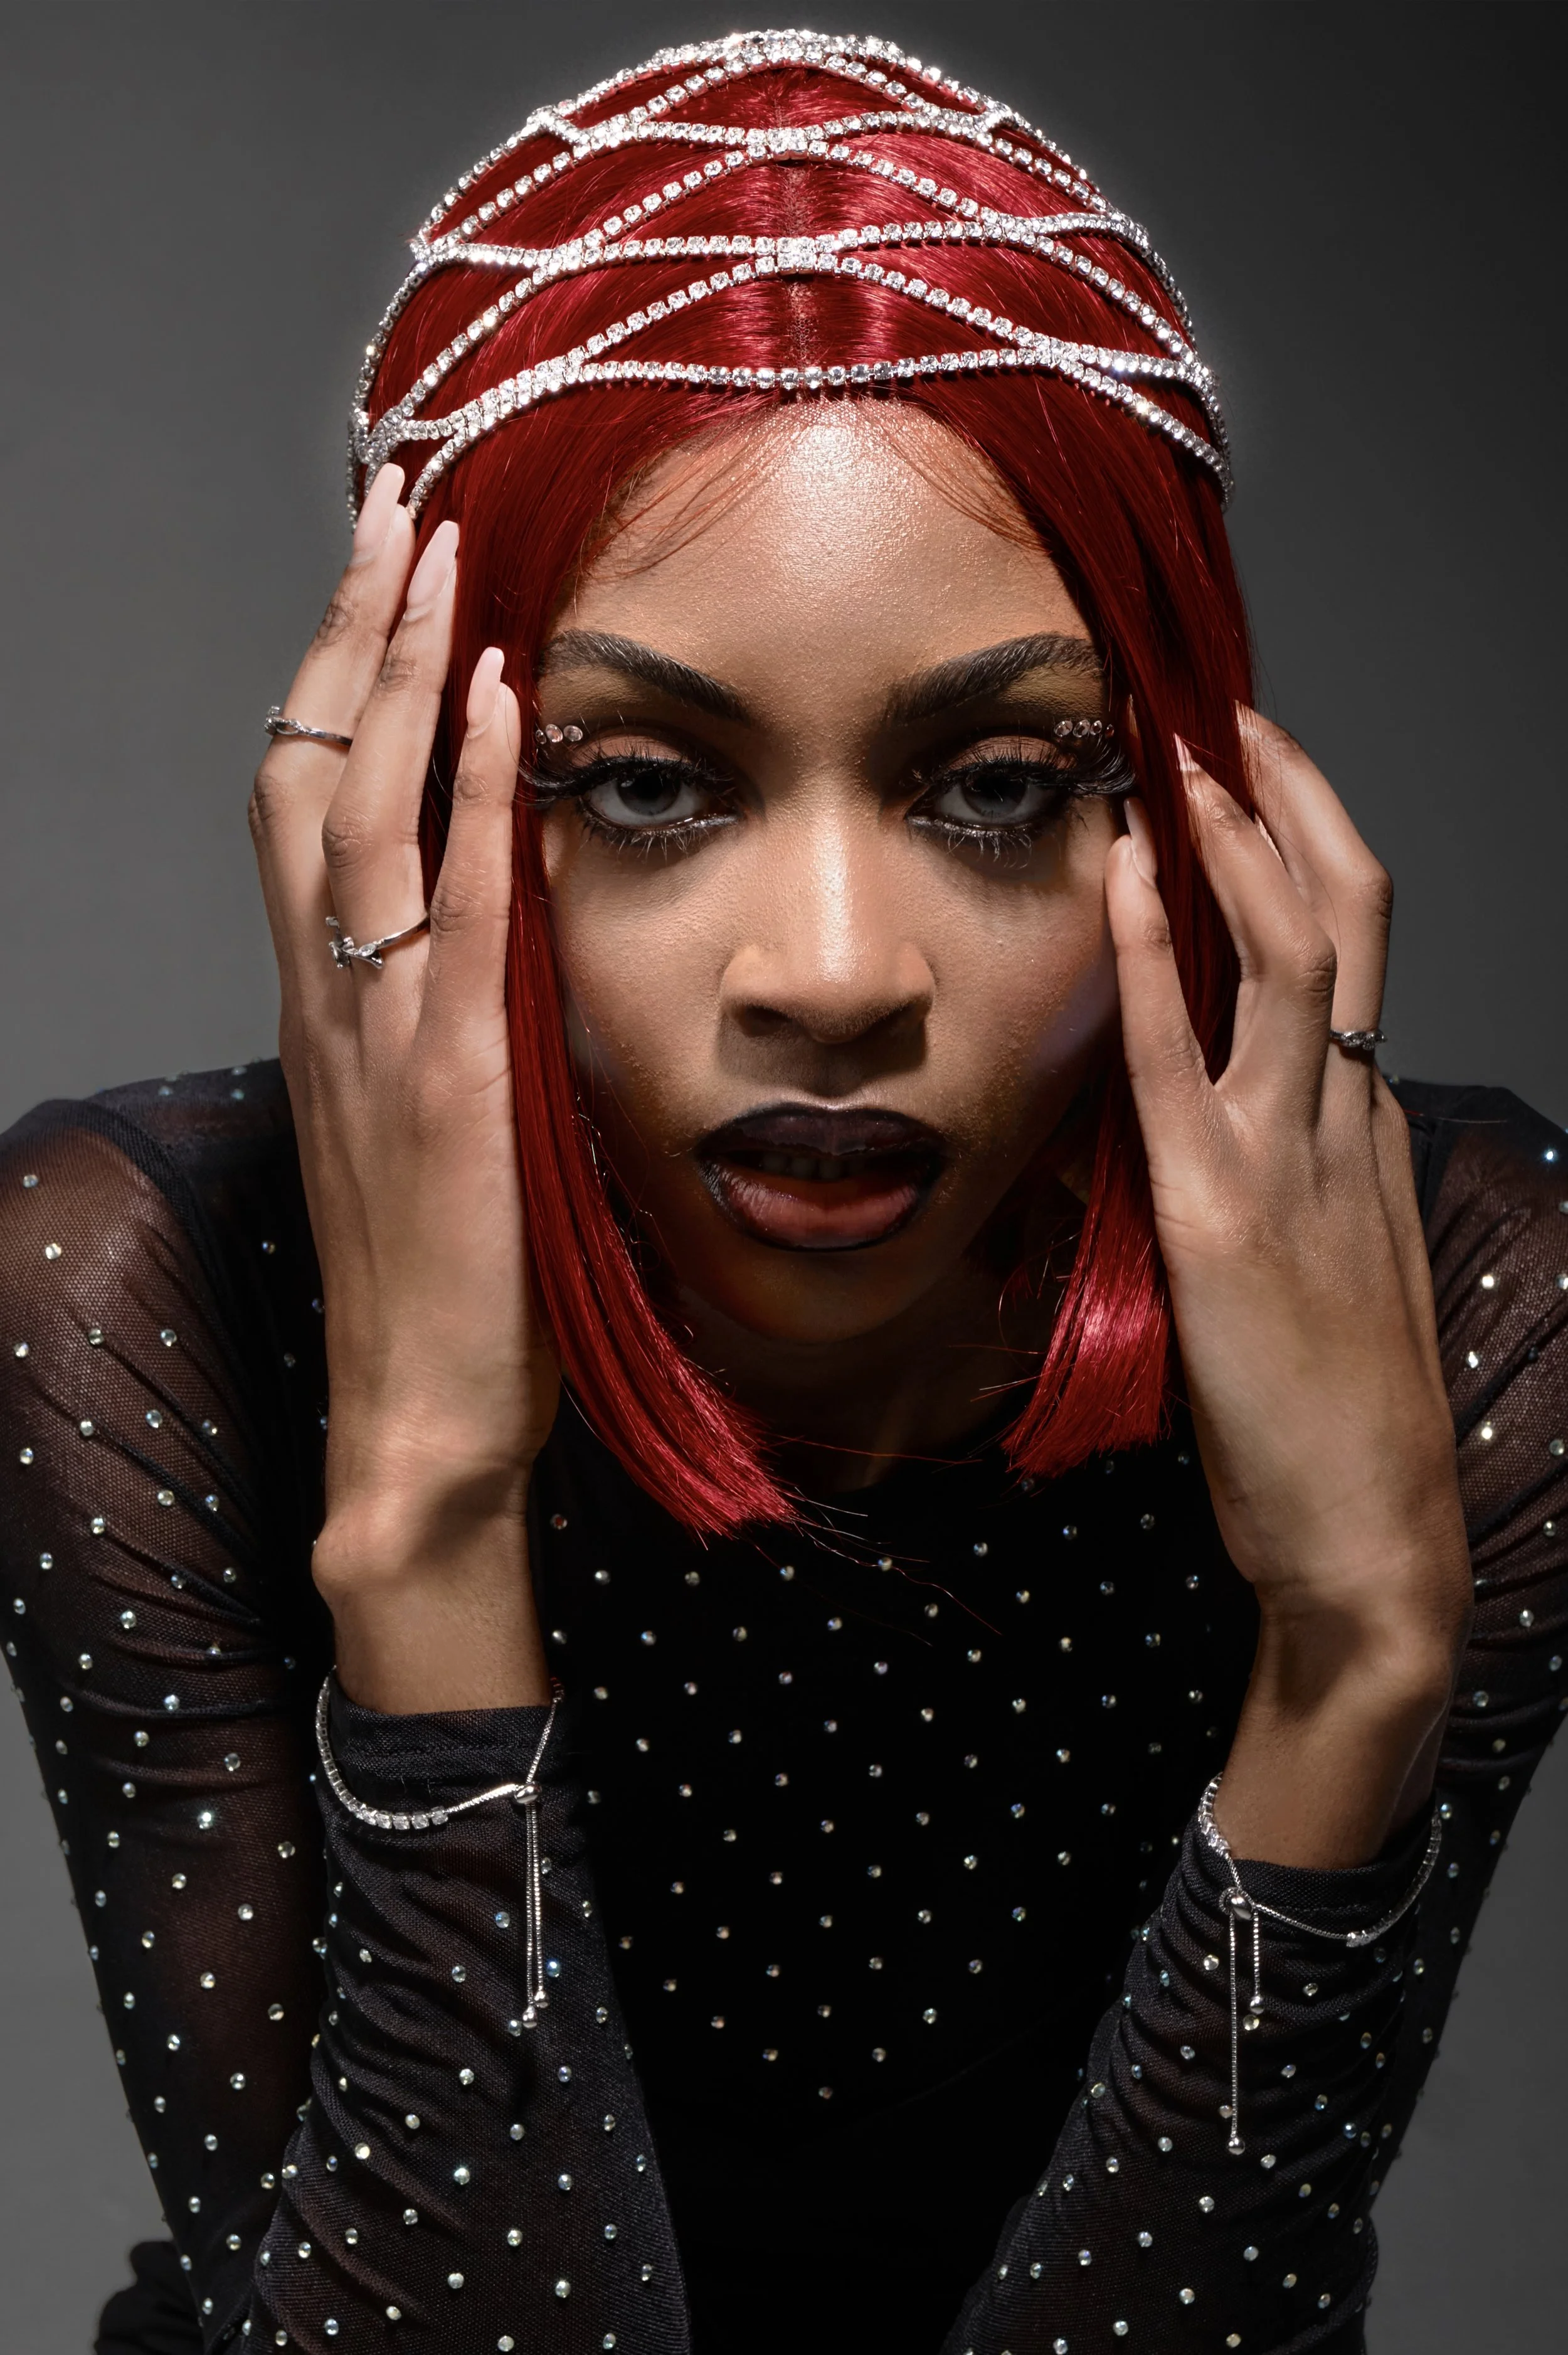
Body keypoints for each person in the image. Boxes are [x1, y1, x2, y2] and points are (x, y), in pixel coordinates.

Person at [3, 29, 1563, 2355]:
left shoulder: (1460, 1308)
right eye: (642, 787)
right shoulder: (141, 1291)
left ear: (1189, 803)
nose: (831, 978)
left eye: (998, 785)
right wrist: (423, 1519)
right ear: (410, 813)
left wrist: (1353, 1662)